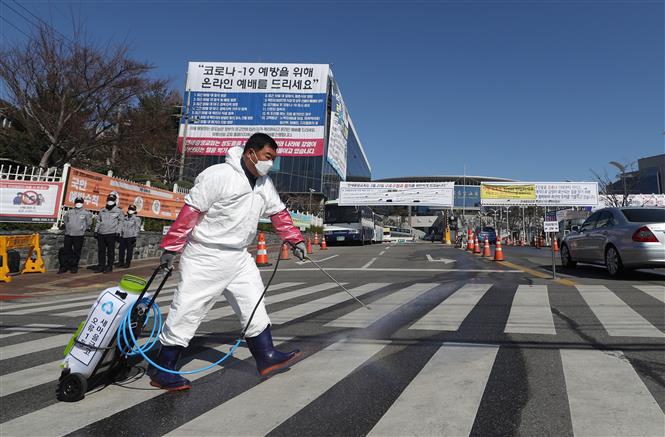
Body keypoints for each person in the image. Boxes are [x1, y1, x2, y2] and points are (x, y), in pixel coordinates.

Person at [149, 133, 307, 391]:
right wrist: (171, 247)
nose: (271, 163)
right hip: (206, 255)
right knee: (187, 310)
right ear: (250, 152)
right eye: (268, 157)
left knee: (254, 302)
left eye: (274, 159)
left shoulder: (264, 183)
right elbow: (191, 211)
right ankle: (163, 369)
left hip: (239, 256)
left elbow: (279, 213)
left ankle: (265, 357)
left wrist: (295, 240)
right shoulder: (219, 175)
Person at [58, 197, 93, 274]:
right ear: (75, 202)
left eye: (80, 202)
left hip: (79, 235)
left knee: (77, 251)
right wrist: (68, 227)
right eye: (77, 202)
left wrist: (83, 229)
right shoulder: (69, 212)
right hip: (68, 234)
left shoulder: (86, 213)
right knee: (66, 251)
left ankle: (74, 266)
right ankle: (64, 267)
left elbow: (89, 223)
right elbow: (65, 220)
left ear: (82, 203)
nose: (78, 203)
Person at [93, 193, 123, 273]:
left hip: (111, 233)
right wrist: (96, 230)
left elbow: (121, 222)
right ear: (107, 200)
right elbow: (99, 221)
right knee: (101, 251)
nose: (110, 202)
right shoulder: (102, 210)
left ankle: (109, 266)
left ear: (115, 201)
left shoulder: (118, 211)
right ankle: (101, 266)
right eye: (109, 200)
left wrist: (118, 231)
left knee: (110, 251)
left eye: (112, 200)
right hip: (101, 233)